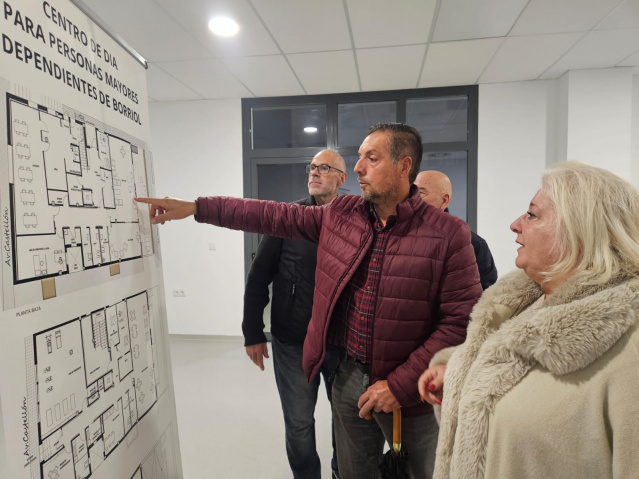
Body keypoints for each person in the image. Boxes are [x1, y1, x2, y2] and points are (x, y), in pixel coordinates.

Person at [136, 123, 482, 479]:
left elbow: (461, 322)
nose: (358, 168)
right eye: (359, 157)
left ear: (403, 166)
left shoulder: (448, 234)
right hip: (349, 379)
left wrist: (399, 385)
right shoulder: (343, 214)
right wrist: (197, 207)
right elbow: (269, 214)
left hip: (412, 394)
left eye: (372, 158)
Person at [418, 161, 639, 479]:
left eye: (532, 215)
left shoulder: (629, 351)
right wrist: (456, 367)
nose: (515, 224)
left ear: (580, 233)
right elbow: (515, 360)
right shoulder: (524, 305)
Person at [243, 149, 346, 479]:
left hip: (342, 345)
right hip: (293, 342)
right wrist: (253, 333)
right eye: (312, 167)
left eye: (324, 168)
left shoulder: (355, 221)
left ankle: (340, 473)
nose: (315, 172)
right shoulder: (288, 219)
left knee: (346, 422)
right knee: (299, 424)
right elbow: (258, 277)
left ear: (342, 178)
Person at [414, 170, 497, 290]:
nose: (412, 199)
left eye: (420, 193)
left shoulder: (473, 244)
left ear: (444, 200)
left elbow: (485, 295)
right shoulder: (396, 237)